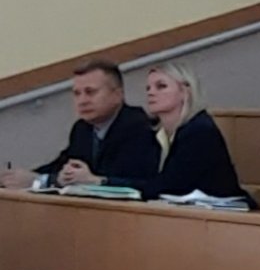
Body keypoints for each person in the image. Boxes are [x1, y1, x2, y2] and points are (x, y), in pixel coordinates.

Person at [1, 60, 160, 192]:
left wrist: (42, 181)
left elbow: (120, 180)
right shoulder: (82, 128)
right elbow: (62, 165)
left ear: (117, 95)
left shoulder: (138, 127)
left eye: (90, 92)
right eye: (77, 93)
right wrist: (20, 177)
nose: (82, 101)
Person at [136, 61, 252, 204]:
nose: (151, 92)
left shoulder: (200, 131)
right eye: (148, 88)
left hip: (221, 213)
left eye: (161, 86)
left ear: (185, 92)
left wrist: (126, 186)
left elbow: (171, 185)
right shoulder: (153, 133)